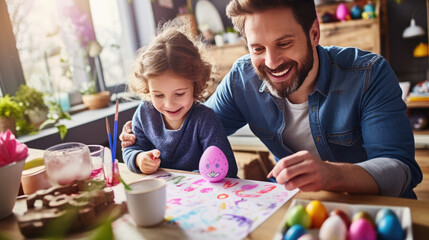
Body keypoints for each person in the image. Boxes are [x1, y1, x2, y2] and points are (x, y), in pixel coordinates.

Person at [121, 0, 422, 198]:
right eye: (257, 48)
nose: (272, 61)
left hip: (379, 213)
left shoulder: (369, 73)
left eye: (284, 43)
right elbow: (192, 129)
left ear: (314, 33)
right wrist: (146, 134)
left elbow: (401, 170)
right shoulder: (242, 79)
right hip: (297, 212)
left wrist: (331, 173)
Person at [122, 19, 238, 178]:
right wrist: (138, 159)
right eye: (158, 95)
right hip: (166, 195)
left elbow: (229, 168)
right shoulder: (145, 113)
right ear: (147, 89)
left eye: (179, 94)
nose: (169, 104)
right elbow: (131, 150)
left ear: (195, 84)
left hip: (204, 196)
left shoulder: (205, 119)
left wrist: (196, 177)